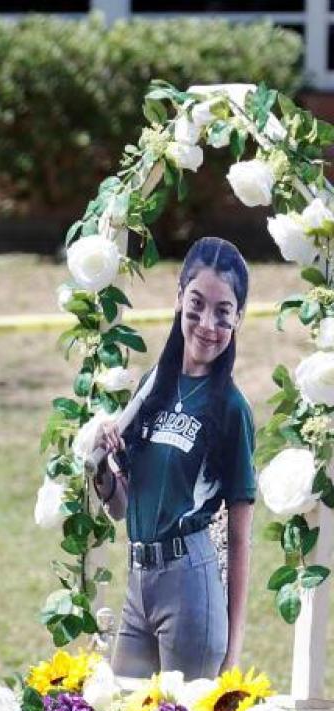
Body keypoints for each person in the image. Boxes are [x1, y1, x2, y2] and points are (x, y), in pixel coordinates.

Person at [94, 236, 255, 680]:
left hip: (190, 581)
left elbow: (241, 537)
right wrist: (104, 466)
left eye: (224, 312)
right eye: (197, 303)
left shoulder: (231, 410)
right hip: (139, 579)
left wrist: (234, 653)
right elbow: (123, 506)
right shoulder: (152, 387)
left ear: (238, 317)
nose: (207, 323)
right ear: (179, 297)